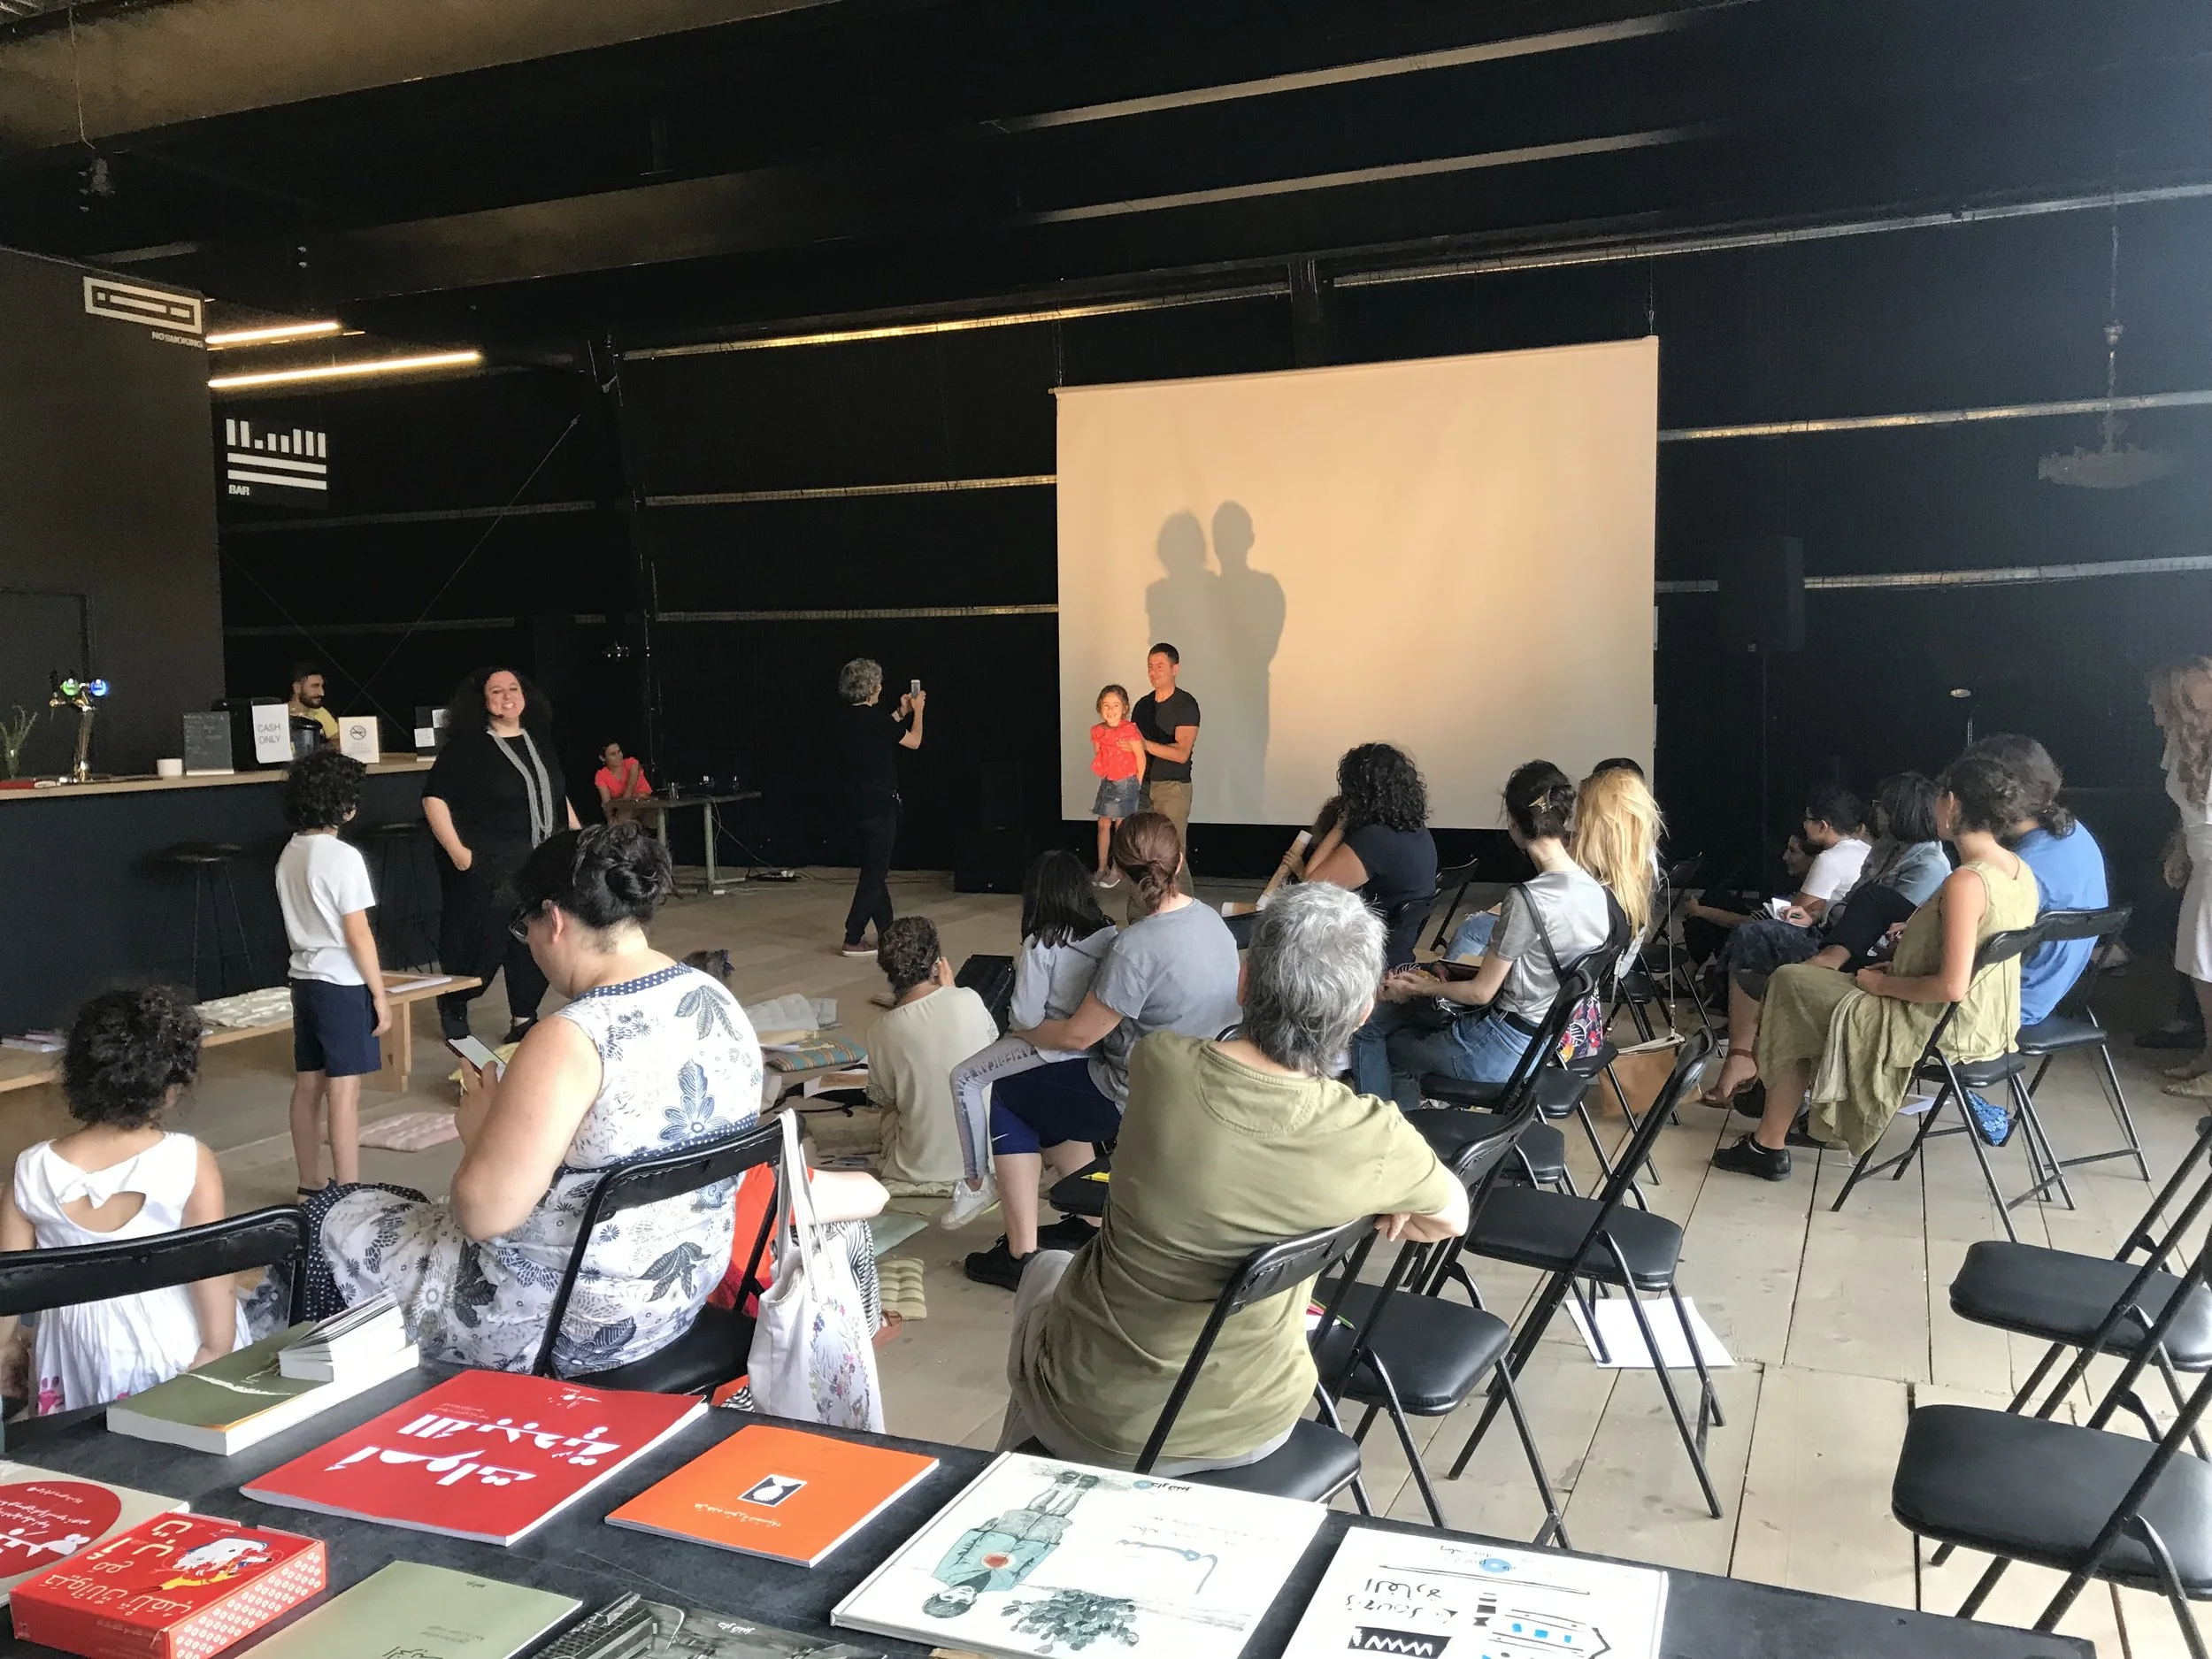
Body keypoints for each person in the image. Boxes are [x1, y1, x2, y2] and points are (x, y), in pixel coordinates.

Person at [996, 883, 1465, 1472]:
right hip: (1252, 1422)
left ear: (1244, 984)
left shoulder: (1160, 1062)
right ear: (1363, 1013)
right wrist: (1378, 1202)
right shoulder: (1375, 1138)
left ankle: (1014, 1483)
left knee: (1044, 1266)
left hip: (1095, 1414)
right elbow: (1452, 1217)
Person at [305, 824, 761, 1373]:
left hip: (559, 1323)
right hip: (675, 1300)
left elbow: (482, 1215)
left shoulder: (571, 1037)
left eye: (526, 929)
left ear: (555, 919)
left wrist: (479, 1133)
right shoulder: (713, 998)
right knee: (390, 1208)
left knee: (325, 1221)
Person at [1713, 749, 2039, 1181]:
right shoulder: (2019, 871)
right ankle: (1791, 1119)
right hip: (1989, 1024)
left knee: (1791, 984)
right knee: (1801, 987)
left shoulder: (1967, 881)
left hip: (1937, 1025)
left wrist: (1881, 985)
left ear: (1952, 803)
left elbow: (1951, 985)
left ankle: (1769, 1141)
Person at [964, 813, 1240, 1290]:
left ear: (1118, 871)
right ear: (1179, 860)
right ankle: (1085, 1218)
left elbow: (1078, 1036)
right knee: (1052, 1094)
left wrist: (1026, 1033)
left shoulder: (1136, 946)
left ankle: (1021, 1255)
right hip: (1204, 1086)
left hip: (1138, 1098)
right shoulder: (1212, 921)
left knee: (1008, 1092)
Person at [1, 987, 247, 1414]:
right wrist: (216, 1346)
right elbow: (212, 1270)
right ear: (172, 1088)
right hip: (177, 1340)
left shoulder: (32, 1169)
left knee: (85, 1446)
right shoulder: (189, 1160)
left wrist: (5, 1350)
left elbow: (9, 1284)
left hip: (76, 1356)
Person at [1357, 762, 1617, 1107]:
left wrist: (1422, 987)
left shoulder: (1528, 899)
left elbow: (1481, 993)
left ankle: (1394, 1131)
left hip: (1504, 1048)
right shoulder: (1595, 890)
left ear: (1513, 823)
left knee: (1384, 1040)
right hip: (1549, 1043)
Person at [1700, 772, 1948, 1104]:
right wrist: (1817, 915)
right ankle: (1745, 1056)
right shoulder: (1888, 847)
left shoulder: (1929, 865)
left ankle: (1755, 1060)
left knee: (1759, 944)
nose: (1875, 812)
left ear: (1902, 811)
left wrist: (1833, 919)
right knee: (1753, 937)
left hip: (1865, 955)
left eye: (1882, 805)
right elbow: (1853, 904)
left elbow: (1887, 927)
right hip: (1838, 933)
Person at [942, 852, 1117, 1231]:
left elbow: (1025, 1015)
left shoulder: (1043, 943)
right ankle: (1081, 1208)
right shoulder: (1110, 935)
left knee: (964, 1078)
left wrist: (1016, 1026)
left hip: (1045, 1044)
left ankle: (976, 1181)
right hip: (1094, 1047)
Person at [421, 665, 580, 1044]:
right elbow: (434, 799)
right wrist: (460, 854)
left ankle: (523, 1018)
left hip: (541, 864)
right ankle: (454, 1005)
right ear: (482, 701)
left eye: (514, 689)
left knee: (536, 942)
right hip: (490, 866)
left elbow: (556, 794)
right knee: (481, 944)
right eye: (496, 691)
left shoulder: (538, 740)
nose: (507, 697)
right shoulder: (467, 747)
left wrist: (577, 837)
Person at [275, 749, 391, 1194]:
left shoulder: (290, 853)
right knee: (344, 1092)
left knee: (308, 1085)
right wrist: (379, 993)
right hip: (342, 984)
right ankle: (348, 1191)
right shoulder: (343, 857)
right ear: (345, 806)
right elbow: (358, 935)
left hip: (303, 979)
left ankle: (309, 1183)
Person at [1966, 734, 2109, 1035]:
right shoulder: (2075, 833)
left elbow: (1963, 958)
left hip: (2003, 1006)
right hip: (2053, 996)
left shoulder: (2018, 868)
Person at [864, 916, 1000, 1187]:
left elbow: (883, 1098)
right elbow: (988, 1047)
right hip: (988, 1159)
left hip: (917, 1169)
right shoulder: (969, 999)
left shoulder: (881, 1030)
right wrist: (951, 992)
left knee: (892, 1110)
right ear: (937, 963)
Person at [1301, 742, 1439, 971]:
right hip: (1399, 952)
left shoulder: (1376, 840)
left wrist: (1342, 823)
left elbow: (1311, 887)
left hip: (1367, 960)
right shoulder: (1418, 832)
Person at [1685, 784, 1871, 953]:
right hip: (1849, 937)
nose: (1804, 825)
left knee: (1746, 933)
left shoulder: (1830, 859)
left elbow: (1794, 916)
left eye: (1808, 819)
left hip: (1826, 941)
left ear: (1823, 826)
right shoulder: (1865, 850)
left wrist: (1702, 912)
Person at [2150, 658, 2212, 1094]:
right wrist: (2178, 848)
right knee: (2197, 965)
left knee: (2208, 967)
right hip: (2200, 855)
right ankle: (2209, 1055)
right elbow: (2185, 806)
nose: (2156, 713)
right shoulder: (2181, 741)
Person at [835, 658, 924, 959]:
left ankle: (888, 933)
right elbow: (914, 741)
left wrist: (901, 712)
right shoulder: (874, 719)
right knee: (874, 874)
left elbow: (881, 729)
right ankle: (853, 936)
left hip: (854, 806)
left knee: (875, 871)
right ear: (872, 687)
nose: (881, 686)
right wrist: (918, 713)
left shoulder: (849, 719)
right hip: (878, 806)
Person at [1133, 644, 1200, 890]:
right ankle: (1142, 909)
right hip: (1143, 787)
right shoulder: (1142, 706)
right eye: (1150, 667)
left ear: (1175, 668)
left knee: (1173, 853)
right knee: (1140, 853)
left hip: (1172, 788)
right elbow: (1134, 750)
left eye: (1159, 666)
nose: (1153, 672)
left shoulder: (1185, 704)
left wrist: (1146, 745)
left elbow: (1181, 753)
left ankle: (1184, 907)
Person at [1087, 685, 1146, 885]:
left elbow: (1140, 757)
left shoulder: (1129, 729)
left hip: (1126, 782)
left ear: (1125, 708)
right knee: (1103, 824)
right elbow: (1100, 755)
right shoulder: (1097, 731)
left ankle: (1117, 868)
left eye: (1115, 705)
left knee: (1121, 826)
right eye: (1106, 705)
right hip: (1108, 782)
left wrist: (1137, 783)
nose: (1110, 710)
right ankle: (1101, 867)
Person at [593, 741, 653, 825]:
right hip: (623, 809)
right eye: (613, 754)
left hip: (645, 804)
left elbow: (629, 792)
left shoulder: (632, 763)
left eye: (619, 752)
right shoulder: (601, 775)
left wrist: (620, 807)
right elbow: (607, 802)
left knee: (623, 818)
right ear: (603, 758)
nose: (619, 756)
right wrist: (610, 817)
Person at [287, 664, 338, 745]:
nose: (322, 693)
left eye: (322, 686)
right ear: (297, 688)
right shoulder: (280, 716)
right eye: (315, 686)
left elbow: (337, 739)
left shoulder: (320, 712)